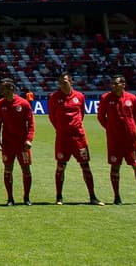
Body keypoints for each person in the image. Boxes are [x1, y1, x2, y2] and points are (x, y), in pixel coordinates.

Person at [96, 75, 136, 205]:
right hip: (114, 140)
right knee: (115, 167)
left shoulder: (132, 98)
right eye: (112, 83)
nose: (113, 85)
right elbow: (101, 117)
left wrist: (131, 129)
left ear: (123, 84)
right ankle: (117, 197)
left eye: (116, 83)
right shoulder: (105, 98)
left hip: (131, 141)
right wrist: (110, 128)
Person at [48, 72, 103, 205]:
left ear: (71, 82)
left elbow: (81, 114)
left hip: (79, 137)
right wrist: (61, 128)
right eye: (60, 82)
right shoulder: (54, 97)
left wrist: (75, 127)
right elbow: (52, 116)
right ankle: (59, 197)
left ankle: (93, 197)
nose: (62, 84)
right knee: (61, 166)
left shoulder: (79, 96)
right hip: (62, 138)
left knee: (85, 166)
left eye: (65, 82)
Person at [0, 78, 35, 206]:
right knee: (8, 169)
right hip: (8, 143)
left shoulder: (23, 104)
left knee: (26, 170)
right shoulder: (0, 104)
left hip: (22, 144)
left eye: (3, 89)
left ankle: (26, 198)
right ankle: (10, 198)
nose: (1, 91)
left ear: (11, 89)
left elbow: (31, 124)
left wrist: (29, 139)